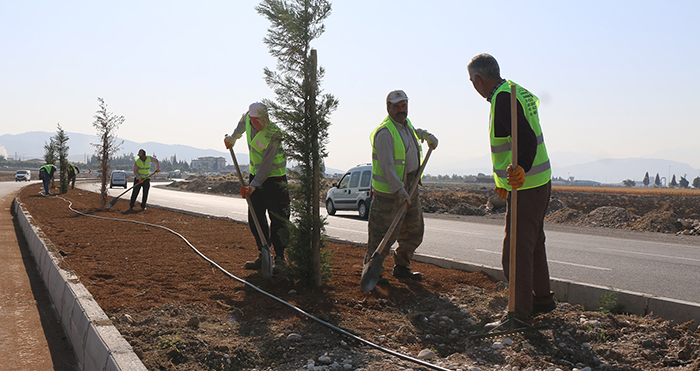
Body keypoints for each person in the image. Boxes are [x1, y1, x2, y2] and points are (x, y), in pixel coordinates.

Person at [467, 53, 556, 323]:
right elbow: (512, 141)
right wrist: (503, 182)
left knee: (515, 252)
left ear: (479, 80)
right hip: (538, 181)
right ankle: (541, 300)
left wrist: (520, 169)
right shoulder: (514, 91)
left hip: (527, 185)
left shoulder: (503, 98)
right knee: (534, 244)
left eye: (472, 81)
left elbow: (525, 140)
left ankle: (518, 313)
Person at [364, 90, 438, 284]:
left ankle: (402, 266)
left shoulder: (405, 125)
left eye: (403, 105)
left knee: (414, 230)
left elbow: (413, 133)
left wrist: (426, 136)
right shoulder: (385, 133)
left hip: (411, 186)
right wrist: (399, 190)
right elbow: (388, 167)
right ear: (388, 108)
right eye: (396, 106)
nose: (401, 110)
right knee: (382, 236)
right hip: (389, 193)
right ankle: (373, 272)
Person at [224, 102, 290, 273]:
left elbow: (266, 166)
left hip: (275, 180)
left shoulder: (274, 134)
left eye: (263, 120)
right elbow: (241, 124)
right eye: (256, 121)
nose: (260, 124)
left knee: (279, 219)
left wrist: (252, 186)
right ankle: (264, 253)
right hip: (256, 178)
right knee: (255, 218)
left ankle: (281, 258)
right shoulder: (248, 119)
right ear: (252, 119)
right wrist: (233, 137)